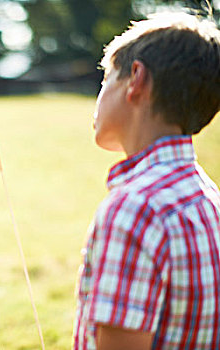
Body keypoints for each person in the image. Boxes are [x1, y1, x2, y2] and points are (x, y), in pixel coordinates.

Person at [74, 12, 220, 350]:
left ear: (136, 79)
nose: (100, 93)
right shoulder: (208, 198)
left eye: (106, 78)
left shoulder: (133, 210)